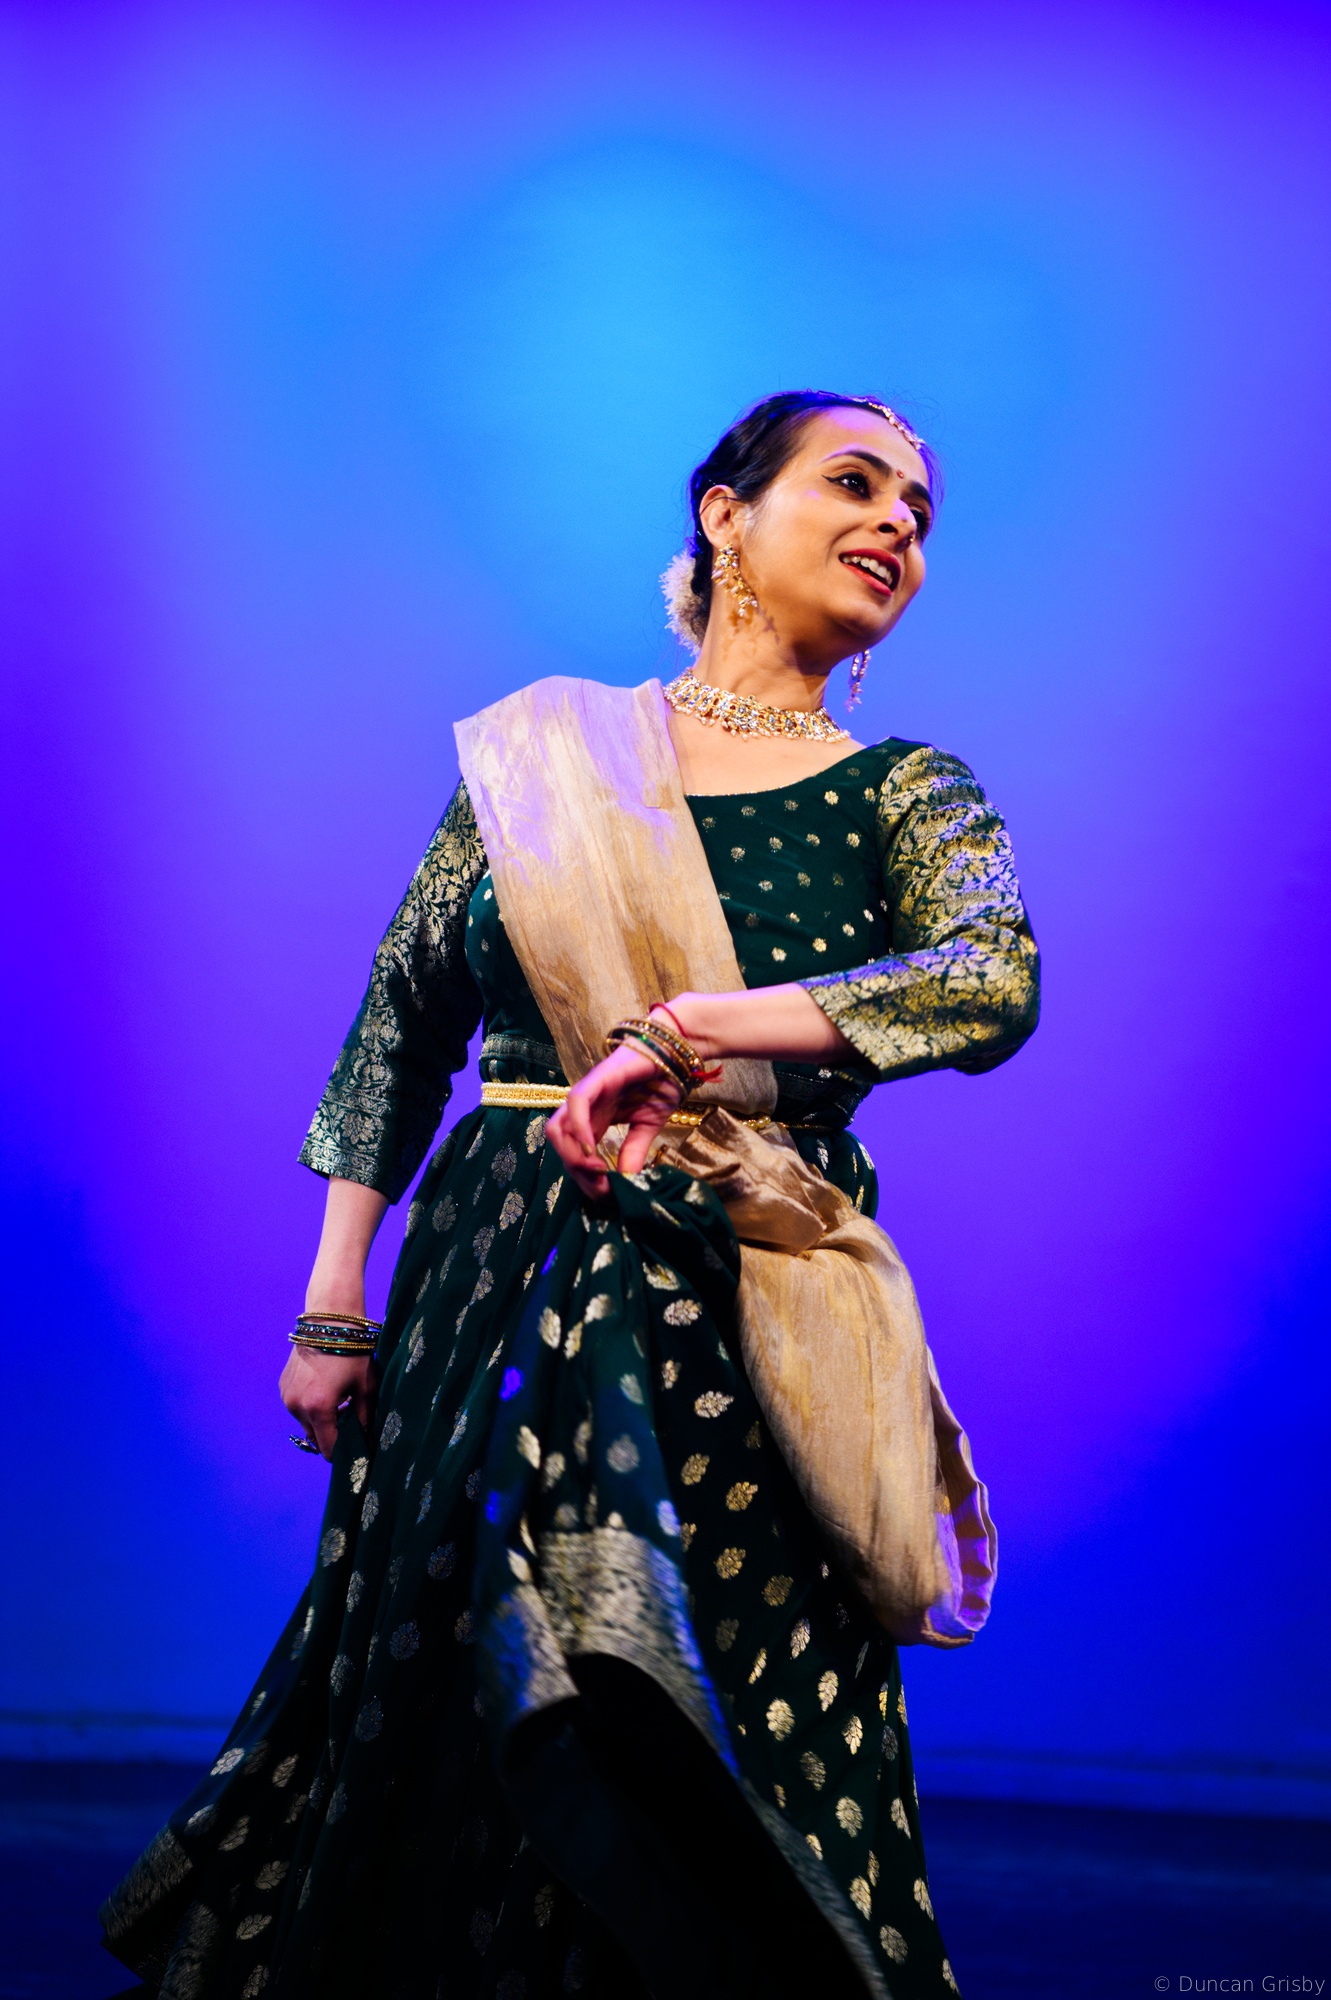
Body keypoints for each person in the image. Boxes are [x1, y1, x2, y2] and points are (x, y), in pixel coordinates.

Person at [101, 390, 1040, 2000]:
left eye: (922, 511)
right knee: (439, 1684)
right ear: (725, 514)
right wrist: (333, 1304)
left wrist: (689, 1030)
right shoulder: (540, 760)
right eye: (855, 482)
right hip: (493, 1275)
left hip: (743, 1294)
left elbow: (988, 979)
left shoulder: (906, 792)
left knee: (708, 1703)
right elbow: (399, 1030)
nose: (898, 522)